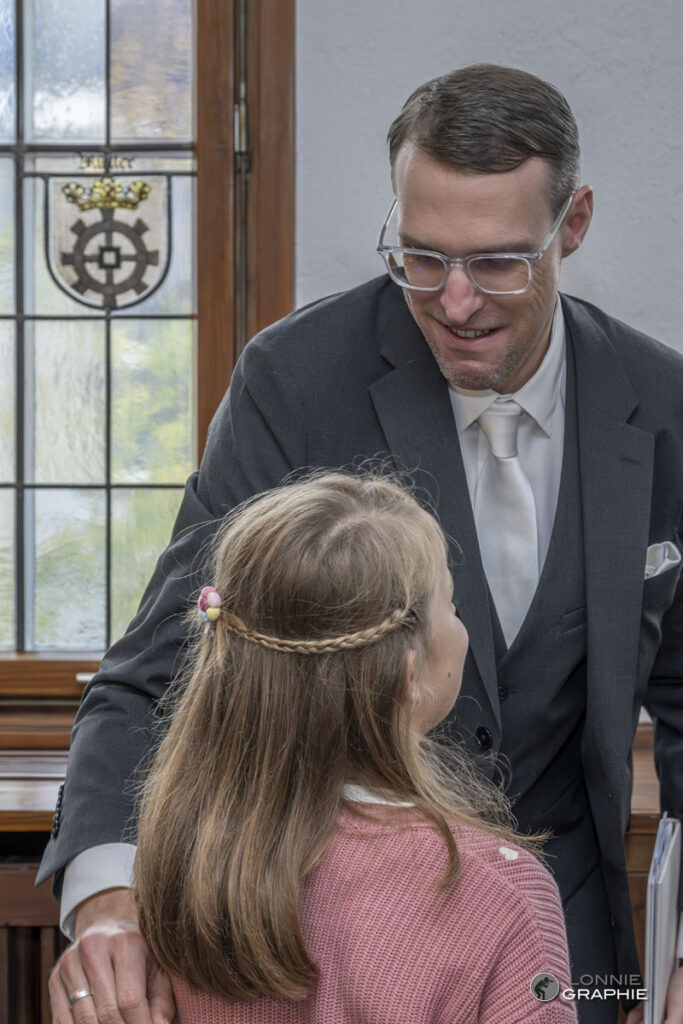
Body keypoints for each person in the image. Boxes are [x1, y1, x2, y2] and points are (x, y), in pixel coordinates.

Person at [41, 64, 683, 1024]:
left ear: (573, 223)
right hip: (312, 943)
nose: (455, 303)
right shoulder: (294, 380)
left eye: (497, 263)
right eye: (421, 258)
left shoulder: (663, 402)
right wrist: (106, 898)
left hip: (571, 951)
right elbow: (160, 668)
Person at [132, 471, 577, 1023]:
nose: (463, 626)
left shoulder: (183, 857)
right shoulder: (501, 896)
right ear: (409, 675)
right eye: (453, 606)